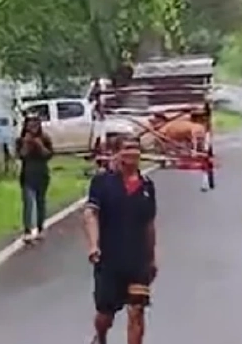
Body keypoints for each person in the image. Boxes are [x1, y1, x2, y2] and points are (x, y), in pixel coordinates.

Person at [84, 137, 157, 344]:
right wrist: (94, 245)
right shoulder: (102, 182)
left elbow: (149, 223)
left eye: (136, 148)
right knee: (106, 314)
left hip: (137, 260)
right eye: (127, 149)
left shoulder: (147, 186)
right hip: (109, 259)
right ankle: (101, 336)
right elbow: (91, 214)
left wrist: (151, 257)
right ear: (116, 152)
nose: (132, 153)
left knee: (137, 311)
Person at [16, 114, 55, 243]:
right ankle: (27, 230)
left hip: (42, 174)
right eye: (30, 125)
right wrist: (26, 143)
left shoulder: (45, 138)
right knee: (28, 203)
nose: (33, 127)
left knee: (40, 202)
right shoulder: (21, 140)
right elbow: (21, 155)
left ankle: (40, 228)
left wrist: (40, 145)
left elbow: (48, 155)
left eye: (35, 125)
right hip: (27, 174)